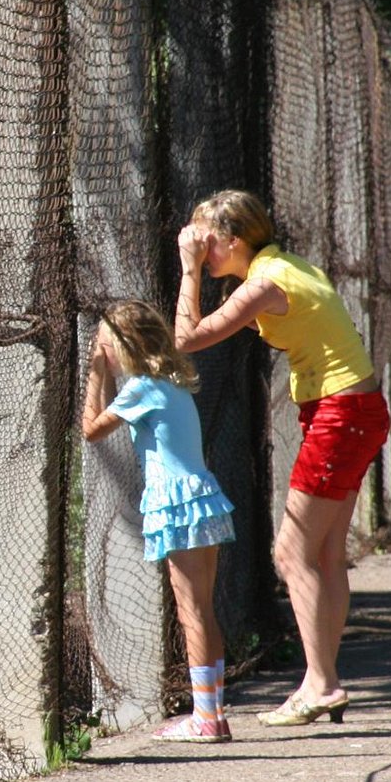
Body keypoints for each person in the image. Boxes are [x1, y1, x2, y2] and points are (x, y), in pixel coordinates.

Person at [174, 189, 390, 727]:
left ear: (233, 240)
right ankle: (323, 679)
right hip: (355, 407)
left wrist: (189, 270)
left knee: (291, 554)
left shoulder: (266, 283)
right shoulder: (285, 268)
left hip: (339, 413)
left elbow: (187, 338)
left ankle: (321, 683)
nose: (202, 247)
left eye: (207, 239)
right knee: (326, 554)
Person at [83, 299, 236, 743]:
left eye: (107, 343)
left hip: (176, 505)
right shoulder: (172, 382)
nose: (103, 350)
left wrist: (97, 373)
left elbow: (91, 429)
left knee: (192, 613)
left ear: (122, 346)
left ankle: (205, 719)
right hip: (200, 497)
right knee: (202, 610)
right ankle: (214, 714)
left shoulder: (142, 389)